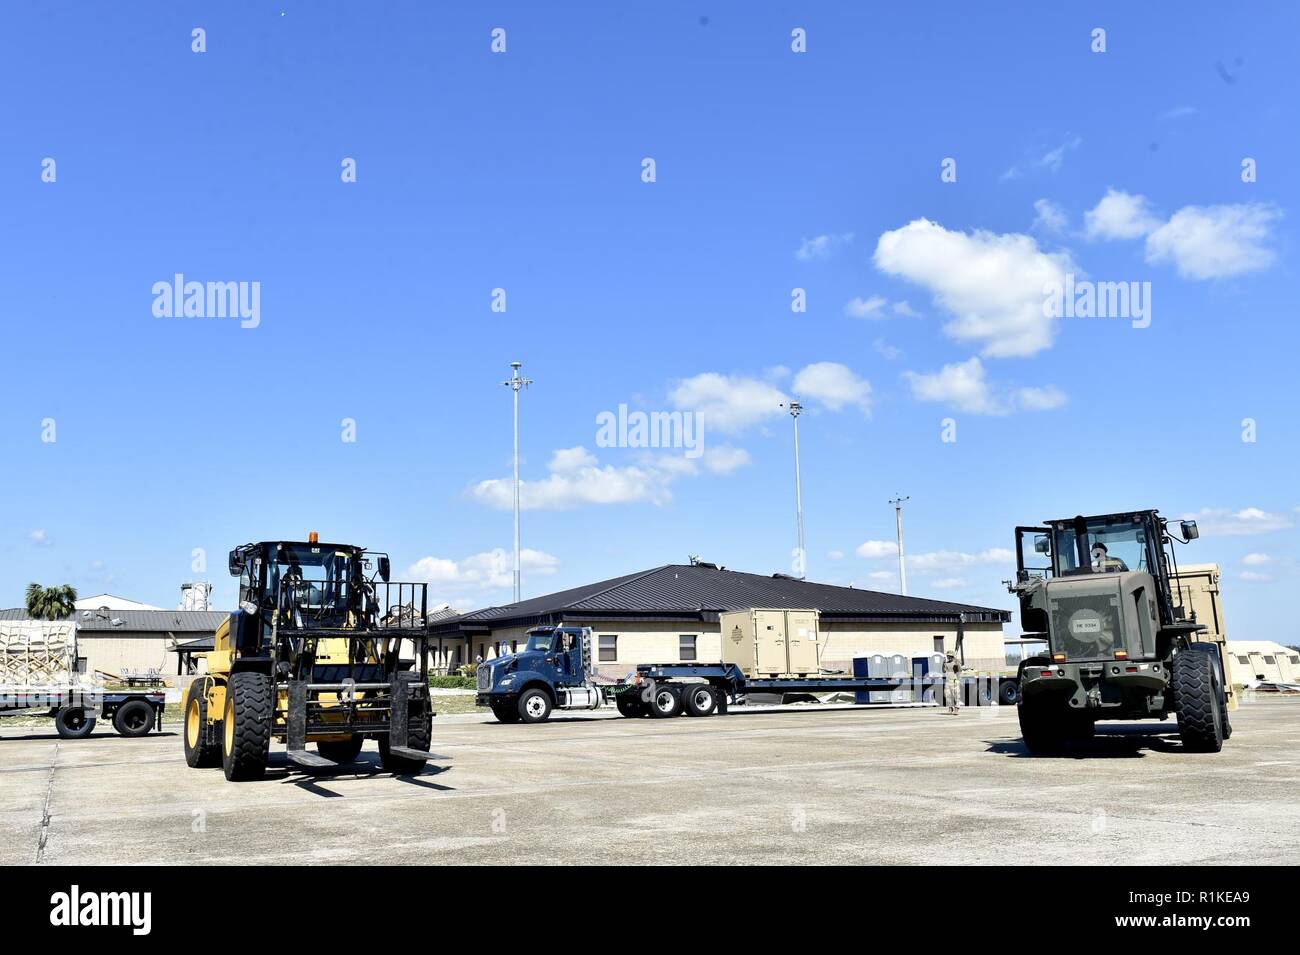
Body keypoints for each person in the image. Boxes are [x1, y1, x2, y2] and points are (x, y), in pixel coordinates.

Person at [943, 650, 962, 715]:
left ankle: (956, 708)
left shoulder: (955, 663)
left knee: (956, 695)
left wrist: (957, 664)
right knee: (947, 695)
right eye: (948, 656)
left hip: (955, 681)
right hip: (948, 681)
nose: (949, 657)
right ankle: (950, 708)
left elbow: (959, 670)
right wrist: (943, 664)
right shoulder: (946, 663)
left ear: (953, 656)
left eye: (950, 656)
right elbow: (943, 671)